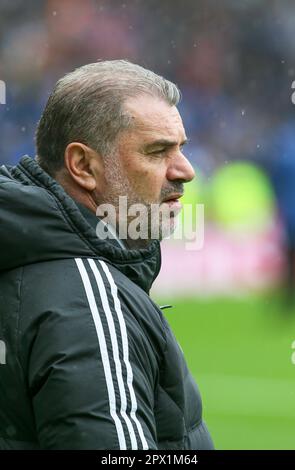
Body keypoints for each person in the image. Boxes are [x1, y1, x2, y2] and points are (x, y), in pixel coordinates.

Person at [0, 60, 214, 450]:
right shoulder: (87, 302)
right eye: (157, 151)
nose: (185, 171)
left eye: (181, 148)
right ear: (83, 166)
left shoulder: (28, 256)